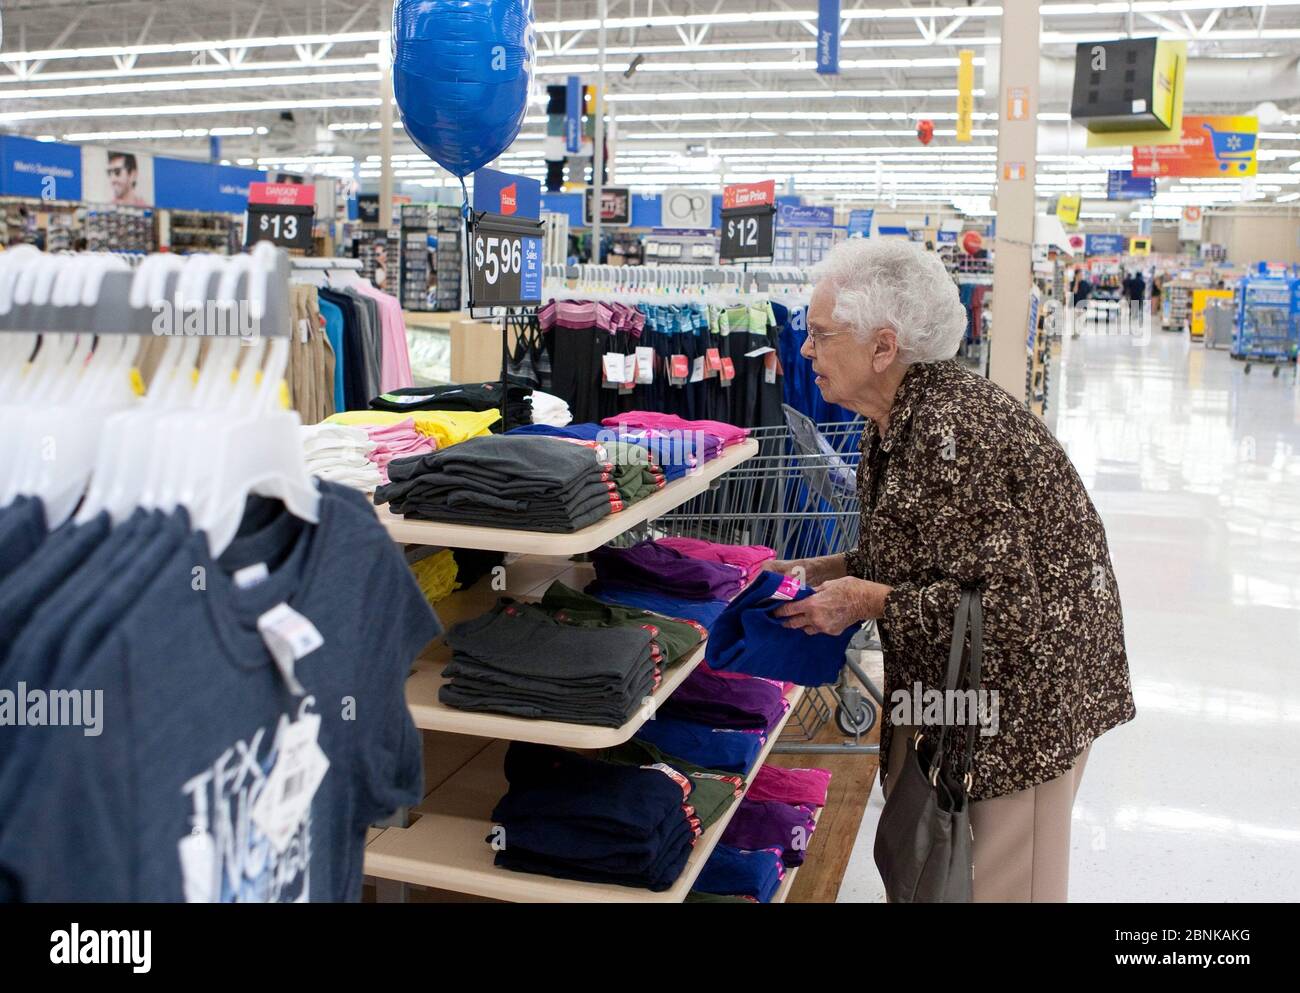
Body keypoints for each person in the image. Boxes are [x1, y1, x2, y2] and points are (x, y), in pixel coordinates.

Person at [766, 239, 1135, 903]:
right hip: (957, 696)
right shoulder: (896, 420)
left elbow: (1008, 612)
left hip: (1020, 715)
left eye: (819, 334)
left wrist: (863, 599)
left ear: (883, 347)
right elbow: (931, 554)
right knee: (936, 873)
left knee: (995, 884)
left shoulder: (955, 432)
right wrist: (827, 568)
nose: (805, 350)